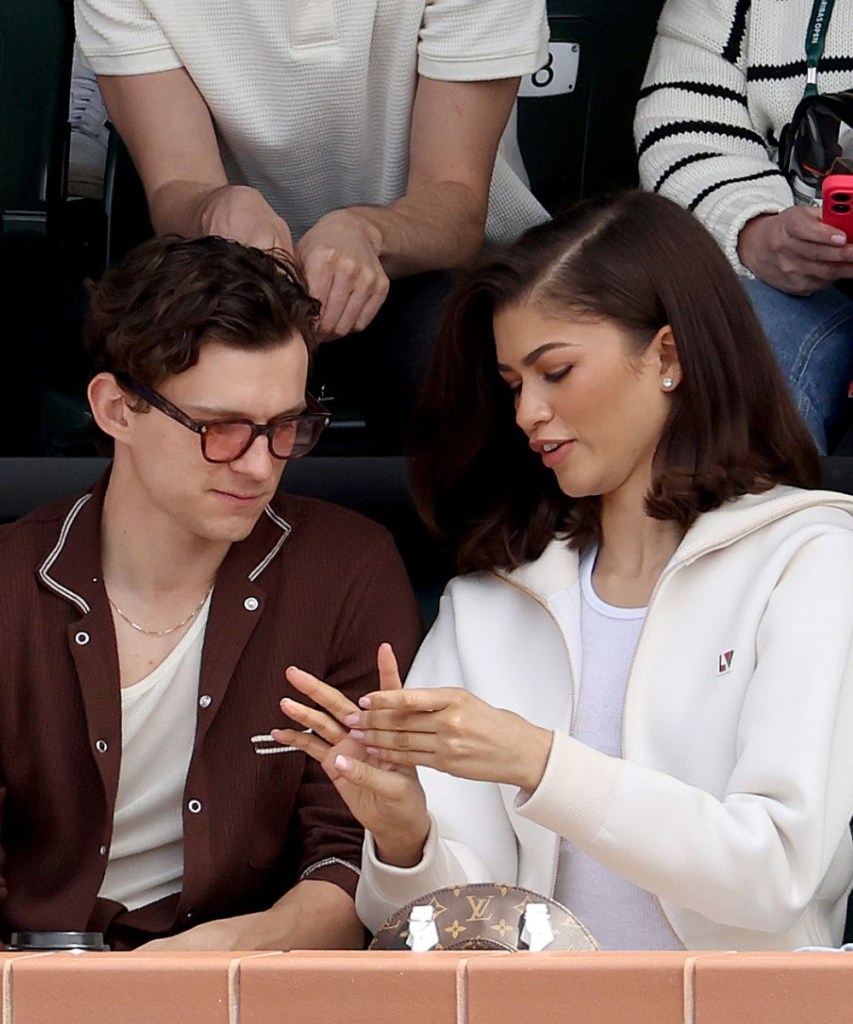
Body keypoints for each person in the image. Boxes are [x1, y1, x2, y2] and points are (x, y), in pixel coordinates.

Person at [273, 190, 853, 951]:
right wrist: (403, 836)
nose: (526, 414)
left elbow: (775, 872)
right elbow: (436, 929)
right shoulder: (490, 599)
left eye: (556, 371)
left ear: (668, 357)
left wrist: (537, 761)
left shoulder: (808, 559)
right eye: (514, 384)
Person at [0, 235, 422, 950]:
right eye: (220, 429)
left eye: (285, 426)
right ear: (115, 408)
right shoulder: (11, 580)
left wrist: (215, 959)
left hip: (245, 986)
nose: (260, 464)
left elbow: (350, 856)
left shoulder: (347, 567)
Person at [71, 0, 551, 449]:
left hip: (430, 263)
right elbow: (177, 181)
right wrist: (216, 210)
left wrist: (368, 232)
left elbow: (456, 204)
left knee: (450, 353)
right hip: (227, 264)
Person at [634, 0, 853, 454]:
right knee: (742, 351)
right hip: (797, 282)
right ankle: (759, 520)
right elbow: (685, 132)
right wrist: (757, 232)